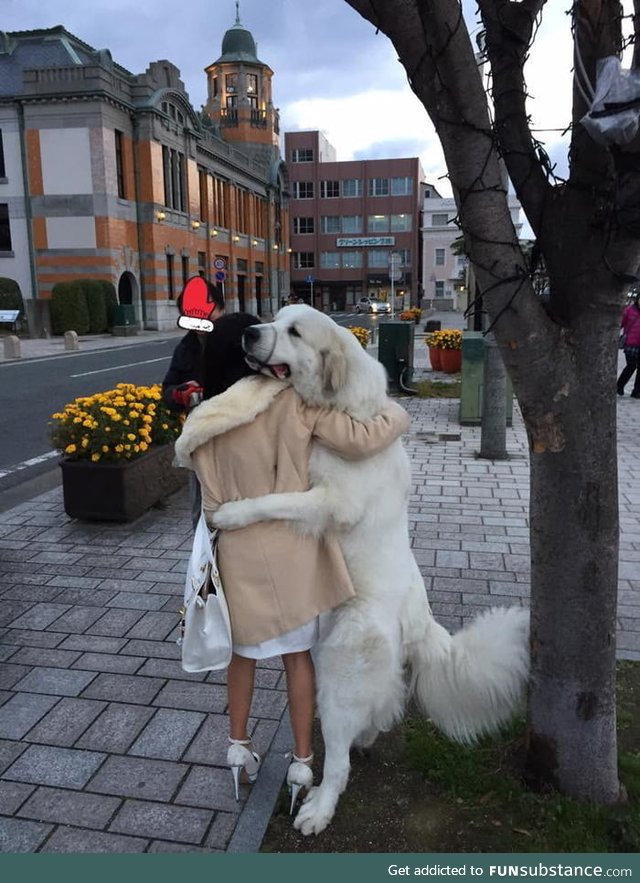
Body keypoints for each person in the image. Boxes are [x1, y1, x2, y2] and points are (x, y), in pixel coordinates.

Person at [174, 313, 410, 812]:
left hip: (237, 560)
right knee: (297, 659)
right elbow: (361, 437)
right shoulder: (293, 404)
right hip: (295, 558)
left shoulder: (202, 424)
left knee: (241, 657)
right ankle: (302, 762)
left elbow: (212, 510)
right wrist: (399, 415)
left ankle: (238, 751)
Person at [162, 278, 225, 526]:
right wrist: (179, 394)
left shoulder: (242, 338)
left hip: (238, 435)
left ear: (220, 307)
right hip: (199, 436)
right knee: (201, 509)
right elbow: (167, 389)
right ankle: (203, 561)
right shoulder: (186, 347)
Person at [617, 293, 640, 397]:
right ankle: (619, 386)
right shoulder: (629, 311)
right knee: (631, 366)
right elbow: (619, 324)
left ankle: (637, 391)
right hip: (630, 344)